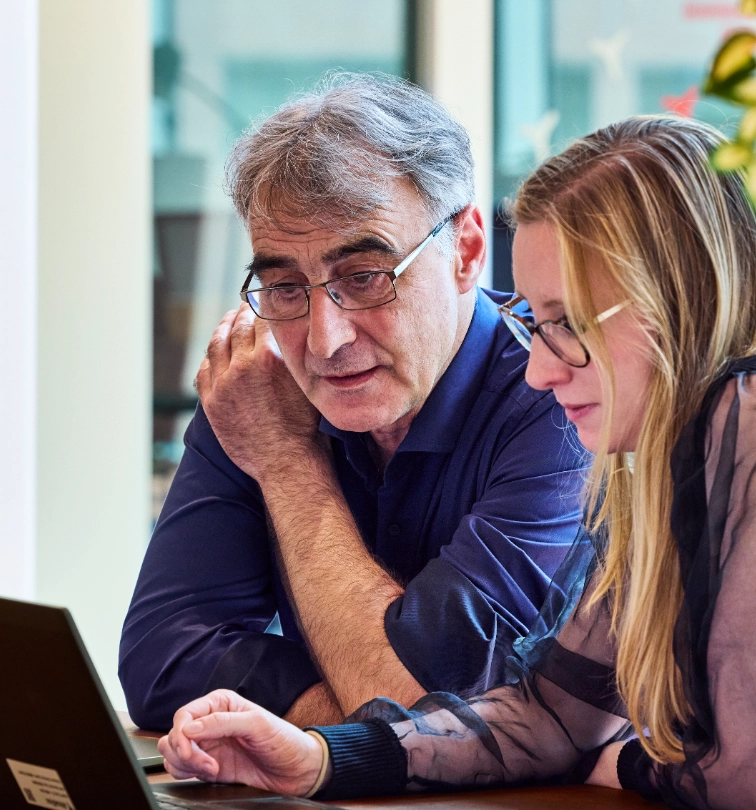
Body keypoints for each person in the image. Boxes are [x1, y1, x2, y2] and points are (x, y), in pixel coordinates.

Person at [155, 115, 756, 810]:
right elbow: (552, 712)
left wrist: (609, 761)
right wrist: (319, 759)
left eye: (566, 327)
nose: (542, 367)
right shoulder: (666, 455)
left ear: (674, 298)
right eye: (533, 324)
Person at [119, 74, 590, 732]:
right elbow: (159, 662)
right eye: (284, 286)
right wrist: (353, 715)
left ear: (468, 251)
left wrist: (288, 465)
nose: (323, 340)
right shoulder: (257, 390)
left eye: (365, 277)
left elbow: (419, 703)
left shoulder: (562, 394)